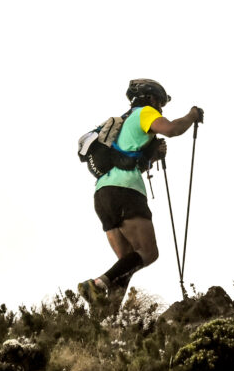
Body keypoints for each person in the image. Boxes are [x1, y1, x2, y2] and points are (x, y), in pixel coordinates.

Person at [78, 78, 203, 306]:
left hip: (102, 194)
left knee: (126, 263)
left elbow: (130, 161)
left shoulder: (122, 124)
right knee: (148, 252)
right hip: (127, 191)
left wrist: (152, 156)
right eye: (161, 104)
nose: (161, 109)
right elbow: (172, 129)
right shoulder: (144, 113)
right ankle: (95, 285)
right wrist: (192, 115)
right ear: (152, 99)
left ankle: (109, 316)